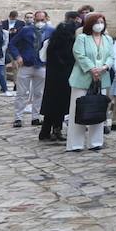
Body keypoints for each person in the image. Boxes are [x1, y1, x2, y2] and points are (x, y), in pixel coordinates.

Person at [69, 12, 113, 151]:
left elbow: (111, 56)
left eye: (101, 22)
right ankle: (75, 143)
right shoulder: (82, 38)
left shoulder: (108, 39)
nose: (99, 25)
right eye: (96, 22)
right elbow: (79, 54)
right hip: (83, 77)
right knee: (78, 109)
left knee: (99, 108)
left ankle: (96, 142)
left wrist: (105, 67)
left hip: (102, 77)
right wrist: (92, 69)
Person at [39, 11, 79, 143]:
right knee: (59, 107)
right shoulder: (69, 45)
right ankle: (56, 129)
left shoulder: (52, 44)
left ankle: (46, 131)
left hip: (52, 80)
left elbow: (43, 57)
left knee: (52, 106)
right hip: (63, 79)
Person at [9, 12, 52, 128]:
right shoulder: (25, 30)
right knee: (21, 93)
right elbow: (12, 44)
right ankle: (18, 117)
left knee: (39, 93)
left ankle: (36, 117)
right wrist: (17, 56)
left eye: (42, 20)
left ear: (46, 19)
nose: (39, 22)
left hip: (42, 65)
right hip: (26, 65)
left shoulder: (51, 31)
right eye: (37, 20)